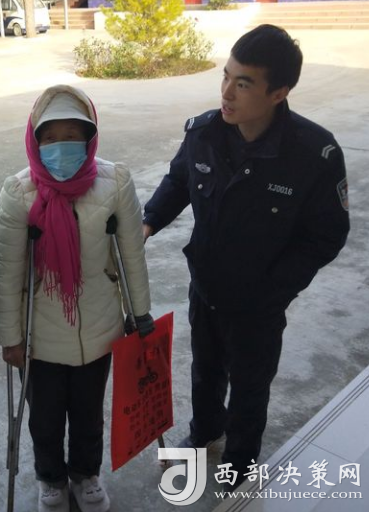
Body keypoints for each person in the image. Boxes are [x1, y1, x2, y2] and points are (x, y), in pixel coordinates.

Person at [143, 25, 350, 489]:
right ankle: (204, 433)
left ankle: (238, 465)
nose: (226, 93)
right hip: (207, 284)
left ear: (279, 92)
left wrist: (275, 289)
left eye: (243, 83)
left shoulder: (313, 154)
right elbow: (179, 180)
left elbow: (327, 235)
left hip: (260, 302)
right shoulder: (204, 133)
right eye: (226, 76)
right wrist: (149, 221)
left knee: (250, 387)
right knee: (205, 371)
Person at [0, 84, 154, 512]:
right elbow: (7, 273)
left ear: (89, 137)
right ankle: (51, 477)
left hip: (100, 328)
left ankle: (85, 474)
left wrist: (140, 314)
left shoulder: (115, 181)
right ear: (35, 141)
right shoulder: (18, 192)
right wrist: (10, 337)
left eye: (72, 135)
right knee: (45, 418)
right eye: (50, 137)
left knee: (88, 414)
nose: (61, 146)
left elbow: (131, 255)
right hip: (40, 337)